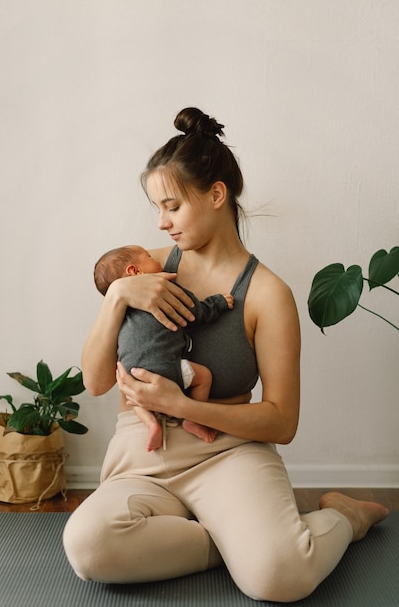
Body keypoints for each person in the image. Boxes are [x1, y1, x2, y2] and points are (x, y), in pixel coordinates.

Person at [63, 107, 389, 602]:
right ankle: (239, 539)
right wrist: (116, 299)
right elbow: (95, 382)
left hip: (229, 451)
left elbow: (282, 423)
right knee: (88, 548)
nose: (162, 222)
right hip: (143, 453)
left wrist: (183, 407)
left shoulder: (266, 295)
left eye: (172, 206)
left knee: (280, 577)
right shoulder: (143, 273)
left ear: (216, 195)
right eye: (157, 208)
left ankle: (343, 514)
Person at [93, 244, 234, 451]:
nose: (156, 259)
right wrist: (218, 302)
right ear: (135, 271)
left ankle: (151, 424)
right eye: (148, 256)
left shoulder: (118, 309)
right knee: (204, 377)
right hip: (168, 370)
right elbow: (195, 313)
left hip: (131, 375)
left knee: (134, 397)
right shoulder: (163, 289)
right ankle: (193, 419)